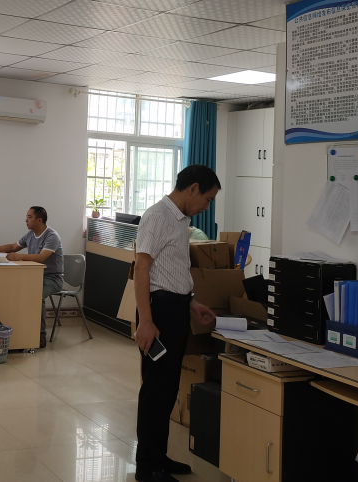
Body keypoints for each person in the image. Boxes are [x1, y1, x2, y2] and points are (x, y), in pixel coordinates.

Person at [134, 164, 220, 482]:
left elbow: (170, 271)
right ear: (193, 188)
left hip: (176, 310)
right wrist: (146, 321)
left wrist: (191, 303)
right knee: (155, 391)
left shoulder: (181, 221)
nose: (206, 207)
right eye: (208, 199)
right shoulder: (158, 217)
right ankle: (147, 467)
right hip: (158, 313)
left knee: (168, 390)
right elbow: (142, 269)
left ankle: (159, 457)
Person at [0, 206, 64, 349]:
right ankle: (20, 329)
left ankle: (40, 335)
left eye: (29, 217)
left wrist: (20, 257)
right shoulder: (30, 235)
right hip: (34, 276)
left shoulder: (52, 236)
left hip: (52, 279)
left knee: (36, 295)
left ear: (39, 220)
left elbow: (41, 258)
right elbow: (12, 247)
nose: (26, 220)